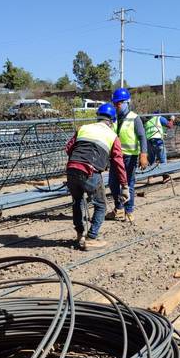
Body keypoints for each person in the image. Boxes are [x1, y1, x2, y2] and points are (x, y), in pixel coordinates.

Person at [66, 103, 128, 250]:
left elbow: (68, 148)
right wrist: (124, 185)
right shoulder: (112, 136)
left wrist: (77, 160)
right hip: (90, 171)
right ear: (112, 120)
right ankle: (91, 238)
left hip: (72, 168)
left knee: (77, 201)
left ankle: (79, 234)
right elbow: (118, 162)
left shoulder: (83, 128)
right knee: (100, 205)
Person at [107, 88, 148, 222]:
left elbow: (142, 137)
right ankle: (118, 208)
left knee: (128, 184)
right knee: (113, 183)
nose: (116, 106)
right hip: (115, 157)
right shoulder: (114, 119)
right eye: (115, 103)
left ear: (126, 102)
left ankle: (129, 211)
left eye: (118, 103)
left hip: (130, 157)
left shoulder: (134, 118)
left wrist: (144, 154)